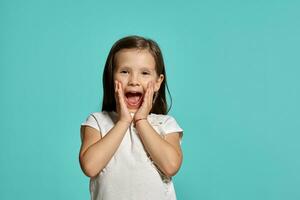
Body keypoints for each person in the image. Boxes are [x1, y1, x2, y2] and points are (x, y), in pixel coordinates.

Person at [79, 35, 184, 200]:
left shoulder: (166, 124)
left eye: (144, 73)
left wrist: (141, 120)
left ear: (158, 82)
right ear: (111, 77)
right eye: (124, 71)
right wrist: (123, 121)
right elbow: (90, 167)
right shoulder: (97, 122)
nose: (134, 81)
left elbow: (171, 165)